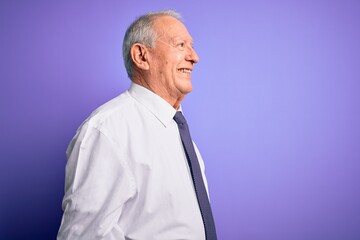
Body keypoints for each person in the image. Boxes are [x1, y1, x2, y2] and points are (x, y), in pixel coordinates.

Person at [57, 10, 216, 240]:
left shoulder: (178, 131)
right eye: (181, 45)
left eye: (191, 46)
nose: (194, 57)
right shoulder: (107, 131)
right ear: (141, 56)